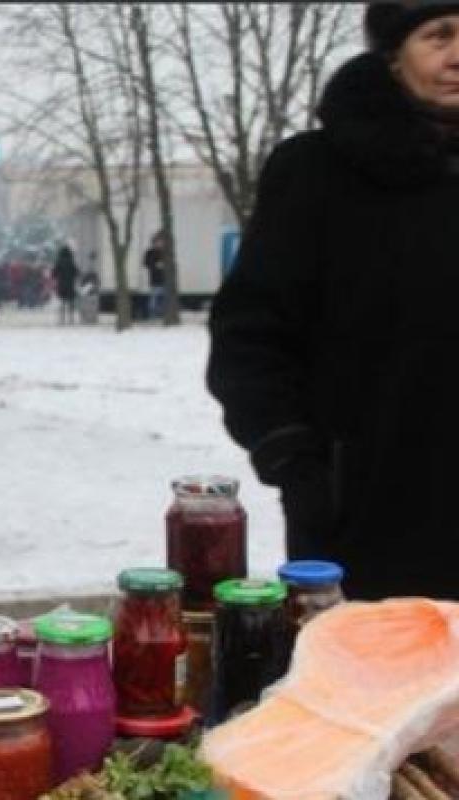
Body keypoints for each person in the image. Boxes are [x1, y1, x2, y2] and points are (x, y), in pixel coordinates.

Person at [206, 2, 459, 600]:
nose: (458, 57)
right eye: (439, 36)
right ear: (393, 56)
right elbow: (251, 334)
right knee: (375, 659)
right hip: (366, 513)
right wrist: (292, 457)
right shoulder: (317, 171)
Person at [142, 232, 166, 321]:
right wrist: (156, 265)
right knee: (154, 299)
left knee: (163, 299)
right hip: (155, 280)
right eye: (158, 242)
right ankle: (152, 315)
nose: (160, 244)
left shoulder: (166, 253)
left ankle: (161, 314)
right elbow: (146, 263)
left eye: (161, 242)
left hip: (165, 280)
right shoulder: (150, 252)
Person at [53, 245, 79, 324]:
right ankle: (71, 319)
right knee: (71, 303)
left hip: (61, 285)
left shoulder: (59, 262)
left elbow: (54, 273)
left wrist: (58, 277)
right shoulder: (71, 262)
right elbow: (76, 273)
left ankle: (62, 319)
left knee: (62, 302)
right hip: (70, 285)